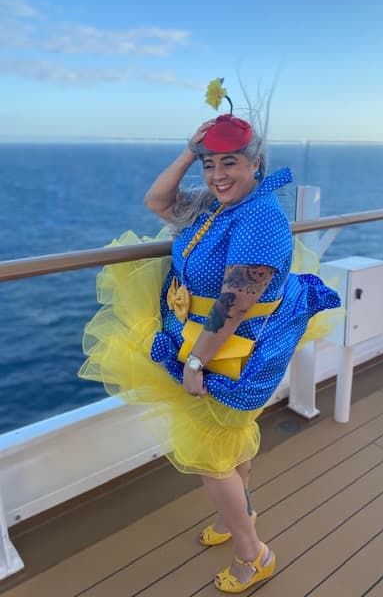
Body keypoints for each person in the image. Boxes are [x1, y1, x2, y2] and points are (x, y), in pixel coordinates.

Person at [79, 80, 341, 593]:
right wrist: (188, 150)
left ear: (255, 165)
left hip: (231, 354)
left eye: (230, 163)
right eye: (210, 164)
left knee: (210, 456)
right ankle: (234, 515)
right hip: (208, 345)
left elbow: (235, 303)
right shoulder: (216, 205)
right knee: (228, 442)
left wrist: (196, 364)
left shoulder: (260, 216)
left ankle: (254, 553)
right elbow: (157, 200)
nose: (218, 175)